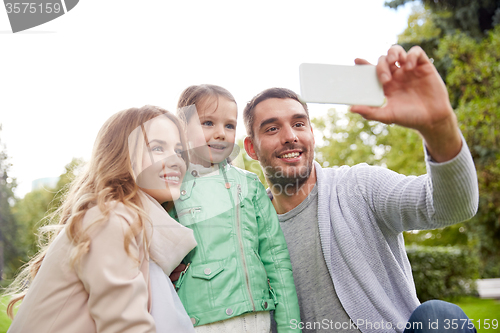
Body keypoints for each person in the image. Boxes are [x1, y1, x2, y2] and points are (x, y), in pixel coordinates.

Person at [242, 45, 479, 333]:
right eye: (272, 128)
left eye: (299, 123)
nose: (290, 137)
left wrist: (438, 126)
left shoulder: (359, 186)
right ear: (251, 148)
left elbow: (451, 206)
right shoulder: (247, 231)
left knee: (439, 317)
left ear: (312, 134)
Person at [5, 106, 198, 333]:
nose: (175, 160)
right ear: (122, 157)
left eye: (179, 151)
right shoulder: (109, 219)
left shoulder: (129, 224)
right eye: (157, 147)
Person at [171, 84, 301, 332]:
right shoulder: (172, 187)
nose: (220, 133)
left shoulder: (250, 185)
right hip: (199, 321)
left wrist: (290, 328)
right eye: (207, 123)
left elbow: (276, 259)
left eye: (229, 125)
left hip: (259, 318)